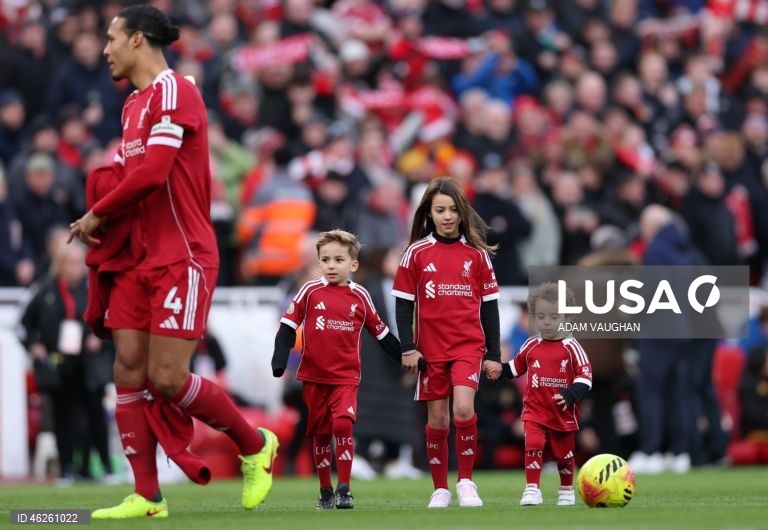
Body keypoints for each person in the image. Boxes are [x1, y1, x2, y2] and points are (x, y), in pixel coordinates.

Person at [67, 5, 277, 519]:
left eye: (112, 38)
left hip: (182, 255)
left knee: (166, 377)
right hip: (139, 258)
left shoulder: (174, 91)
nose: (105, 49)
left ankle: (254, 444)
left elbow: (155, 172)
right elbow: (127, 177)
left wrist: (96, 212)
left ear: (138, 40)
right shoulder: (133, 105)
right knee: (127, 369)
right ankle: (146, 495)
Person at [271, 229, 411, 509]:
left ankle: (344, 488)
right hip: (313, 377)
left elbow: (381, 333)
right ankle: (325, 488)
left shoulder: (360, 296)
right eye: (325, 260)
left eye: (338, 259)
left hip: (346, 377)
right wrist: (280, 357)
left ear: (353, 264)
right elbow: (288, 325)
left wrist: (405, 355)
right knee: (322, 433)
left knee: (343, 424)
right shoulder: (309, 291)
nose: (331, 265)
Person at [392, 177, 502, 508]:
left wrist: (494, 354)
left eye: (454, 209)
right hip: (430, 350)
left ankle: (466, 482)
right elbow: (403, 303)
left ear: (463, 213)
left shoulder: (478, 256)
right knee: (437, 419)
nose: (448, 216)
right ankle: (440, 488)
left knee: (464, 408)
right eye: (440, 210)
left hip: (468, 347)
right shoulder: (416, 253)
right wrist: (408, 347)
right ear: (429, 213)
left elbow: (490, 308)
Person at [20, 241, 115, 485]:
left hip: (89, 363)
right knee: (64, 418)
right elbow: (25, 326)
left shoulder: (94, 290)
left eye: (79, 263)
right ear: (60, 264)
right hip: (60, 364)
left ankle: (104, 467)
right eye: (70, 262)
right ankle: (66, 469)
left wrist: (99, 338)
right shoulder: (45, 291)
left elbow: (111, 322)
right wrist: (35, 346)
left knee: (94, 415)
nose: (76, 268)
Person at [496, 282, 592, 506]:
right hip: (534, 409)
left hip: (562, 412)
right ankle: (532, 489)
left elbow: (585, 378)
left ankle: (566, 490)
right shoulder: (531, 345)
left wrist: (569, 394)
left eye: (553, 316)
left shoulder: (572, 347)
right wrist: (498, 370)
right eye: (541, 316)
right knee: (533, 445)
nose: (546, 322)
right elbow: (515, 368)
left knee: (564, 455)